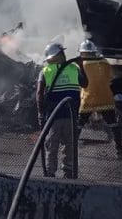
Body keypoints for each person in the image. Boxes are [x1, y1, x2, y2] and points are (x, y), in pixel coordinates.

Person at [36, 42, 88, 178]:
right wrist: (41, 113)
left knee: (58, 146)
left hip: (61, 115)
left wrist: (40, 113)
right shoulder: (48, 71)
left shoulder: (72, 67)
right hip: (60, 115)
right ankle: (57, 172)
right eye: (61, 53)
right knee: (61, 146)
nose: (64, 55)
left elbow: (39, 95)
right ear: (56, 56)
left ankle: (59, 172)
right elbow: (39, 94)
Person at [77, 40, 122, 157]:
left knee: (79, 125)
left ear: (83, 53)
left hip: (88, 99)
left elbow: (82, 83)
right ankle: (119, 149)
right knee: (113, 124)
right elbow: (110, 78)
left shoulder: (81, 65)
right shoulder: (104, 62)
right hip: (105, 98)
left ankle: (71, 147)